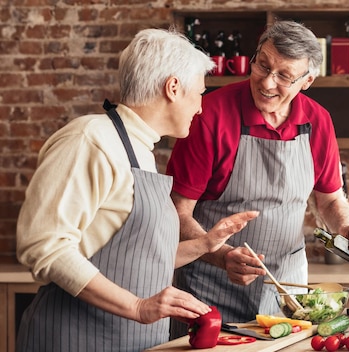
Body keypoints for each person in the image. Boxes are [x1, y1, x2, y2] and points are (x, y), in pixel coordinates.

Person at [15, 28, 259, 352]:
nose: (201, 108)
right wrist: (137, 308)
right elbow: (44, 246)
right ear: (173, 88)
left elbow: (140, 262)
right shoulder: (91, 140)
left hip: (131, 341)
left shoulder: (140, 150)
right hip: (75, 338)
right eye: (199, 93)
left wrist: (204, 244)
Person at [166, 20, 349, 334]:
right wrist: (223, 256)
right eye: (262, 66)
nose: (267, 83)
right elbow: (178, 212)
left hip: (286, 291)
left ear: (307, 81)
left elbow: (330, 198)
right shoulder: (210, 114)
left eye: (285, 76)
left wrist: (346, 227)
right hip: (210, 289)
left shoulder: (318, 120)